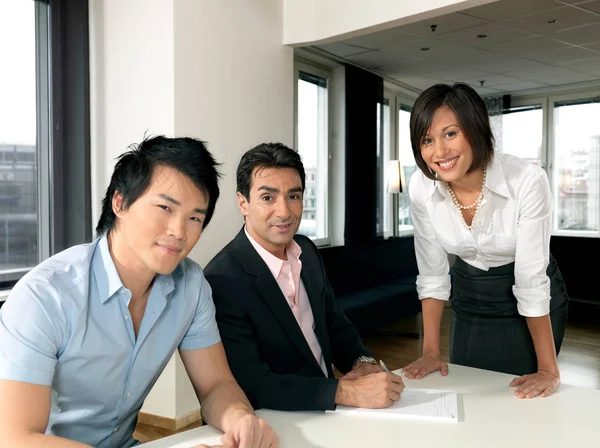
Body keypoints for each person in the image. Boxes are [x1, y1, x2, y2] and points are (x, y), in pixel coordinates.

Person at [0, 136, 279, 448]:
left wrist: (240, 419)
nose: (179, 231)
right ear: (120, 203)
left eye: (194, 218)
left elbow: (216, 385)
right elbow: (16, 439)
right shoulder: (44, 296)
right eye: (164, 207)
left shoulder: (191, 285)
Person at [204, 142, 404, 412]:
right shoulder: (221, 279)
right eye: (267, 198)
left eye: (293, 196)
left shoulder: (306, 250)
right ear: (243, 203)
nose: (284, 212)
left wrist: (362, 364)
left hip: (327, 409)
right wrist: (345, 391)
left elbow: (335, 324)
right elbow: (253, 384)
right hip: (270, 422)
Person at [401, 82, 569, 399]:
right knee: (468, 393)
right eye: (427, 140)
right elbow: (433, 274)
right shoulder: (421, 186)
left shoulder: (527, 180)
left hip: (530, 300)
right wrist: (431, 351)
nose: (439, 152)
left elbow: (531, 279)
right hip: (471, 297)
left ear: (475, 129)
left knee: (522, 399)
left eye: (450, 134)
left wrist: (548, 369)